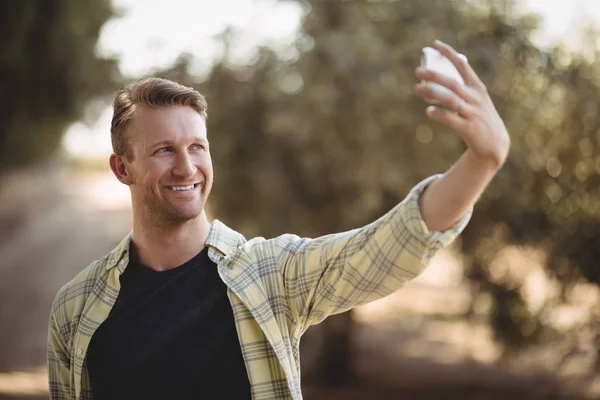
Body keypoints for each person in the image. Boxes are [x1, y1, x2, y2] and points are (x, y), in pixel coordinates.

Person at [47, 40, 510, 400]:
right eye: (164, 150)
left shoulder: (269, 274)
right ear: (122, 168)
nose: (187, 168)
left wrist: (480, 164)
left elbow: (384, 249)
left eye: (197, 147)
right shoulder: (76, 309)